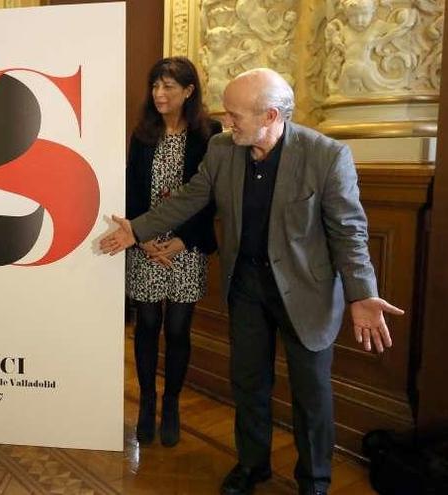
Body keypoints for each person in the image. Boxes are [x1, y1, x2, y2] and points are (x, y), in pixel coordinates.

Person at [101, 68, 403, 495]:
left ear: (271, 116)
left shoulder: (327, 156)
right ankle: (253, 464)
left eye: (237, 114)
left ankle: (314, 481)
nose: (227, 122)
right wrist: (137, 229)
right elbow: (191, 198)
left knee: (310, 395)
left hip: (307, 293)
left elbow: (349, 233)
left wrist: (363, 294)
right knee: (248, 382)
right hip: (246, 288)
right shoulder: (224, 149)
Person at [126, 57, 222, 447]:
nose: (159, 94)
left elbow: (212, 195)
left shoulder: (210, 134)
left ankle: (172, 403)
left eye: (168, 86)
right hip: (146, 245)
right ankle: (147, 404)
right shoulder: (143, 133)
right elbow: (132, 189)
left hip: (188, 243)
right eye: (155, 86)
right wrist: (141, 237)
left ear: (189, 91)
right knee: (147, 325)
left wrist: (183, 239)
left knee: (179, 328)